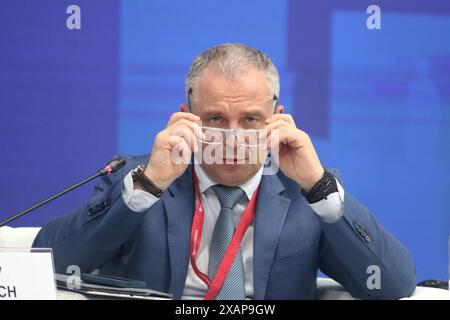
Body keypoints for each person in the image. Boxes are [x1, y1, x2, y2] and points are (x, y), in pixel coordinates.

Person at [33, 43, 416, 300]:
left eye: (251, 119)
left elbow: (393, 285)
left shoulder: (308, 190)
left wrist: (319, 187)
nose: (233, 136)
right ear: (186, 117)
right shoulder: (143, 178)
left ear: (278, 121)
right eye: (215, 118)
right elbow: (47, 261)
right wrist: (147, 187)